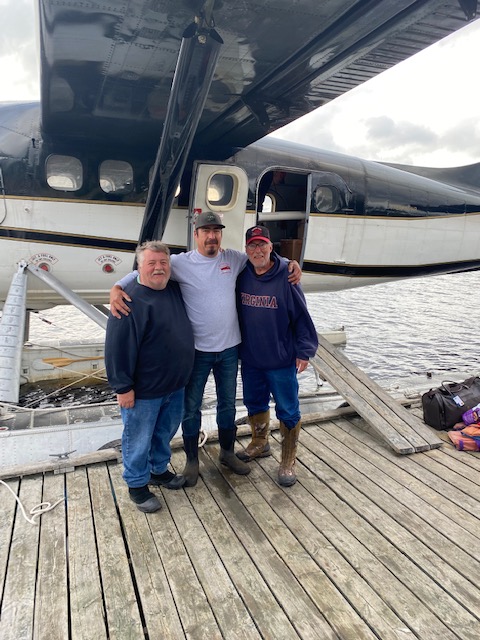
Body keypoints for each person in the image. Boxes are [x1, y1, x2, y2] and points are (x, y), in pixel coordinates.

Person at [110, 211, 301, 488]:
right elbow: (148, 267)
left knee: (227, 404)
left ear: (221, 234)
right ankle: (191, 460)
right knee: (190, 408)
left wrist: (290, 263)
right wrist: (117, 287)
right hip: (197, 351)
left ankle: (226, 453)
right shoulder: (179, 263)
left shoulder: (233, 259)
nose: (212, 236)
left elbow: (264, 256)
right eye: (206, 231)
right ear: (196, 235)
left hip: (230, 349)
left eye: (216, 230)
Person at [105, 241, 194, 513]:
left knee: (164, 433)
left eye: (163, 263)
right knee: (138, 438)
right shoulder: (129, 299)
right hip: (144, 391)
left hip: (174, 385)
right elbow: (117, 347)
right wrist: (123, 387)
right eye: (151, 263)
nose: (158, 268)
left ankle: (158, 470)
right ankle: (137, 485)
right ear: (139, 268)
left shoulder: (174, 289)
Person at [236, 225, 318, 486]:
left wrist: (304, 350)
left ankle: (288, 459)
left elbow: (302, 317)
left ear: (271, 247)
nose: (257, 250)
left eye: (262, 245)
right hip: (251, 358)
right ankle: (260, 443)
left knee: (288, 410)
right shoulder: (242, 274)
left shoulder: (287, 276)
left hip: (281, 359)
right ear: (246, 249)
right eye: (252, 246)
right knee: (254, 402)